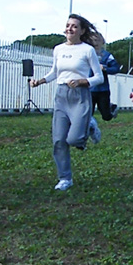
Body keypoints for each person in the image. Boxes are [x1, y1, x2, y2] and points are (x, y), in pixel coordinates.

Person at [30, 14, 104, 191]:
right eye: (68, 25)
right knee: (58, 140)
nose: (70, 29)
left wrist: (82, 81)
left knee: (74, 139)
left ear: (82, 31)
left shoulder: (87, 50)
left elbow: (98, 77)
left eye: (74, 26)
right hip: (61, 96)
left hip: (80, 95)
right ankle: (65, 178)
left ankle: (89, 125)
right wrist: (40, 81)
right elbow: (55, 72)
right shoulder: (58, 49)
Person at [90, 32, 121, 121]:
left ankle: (112, 107)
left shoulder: (107, 56)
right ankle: (90, 129)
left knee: (106, 116)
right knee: (88, 114)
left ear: (102, 42)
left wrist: (105, 68)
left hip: (103, 89)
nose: (94, 43)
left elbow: (116, 68)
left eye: (96, 40)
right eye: (92, 40)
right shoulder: (86, 53)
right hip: (89, 89)